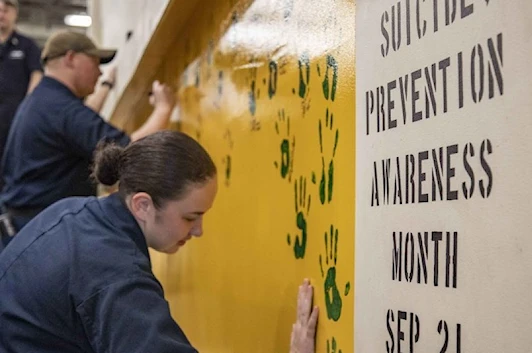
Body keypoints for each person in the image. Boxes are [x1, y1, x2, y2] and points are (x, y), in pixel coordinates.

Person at [0, 130, 319, 352]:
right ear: (142, 204)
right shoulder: (115, 274)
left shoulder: (72, 211)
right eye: (190, 217)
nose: (198, 231)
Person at [0, 30, 176, 244]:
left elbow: (81, 125)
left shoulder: (44, 100)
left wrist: (107, 87)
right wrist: (164, 108)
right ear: (71, 58)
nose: (100, 72)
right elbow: (131, 151)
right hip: (40, 233)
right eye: (95, 62)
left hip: (24, 228)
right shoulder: (61, 109)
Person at [0, 0, 42, 189]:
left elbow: (37, 75)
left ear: (15, 13)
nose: (2, 14)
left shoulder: (27, 46)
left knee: (14, 170)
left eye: (6, 9)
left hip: (15, 122)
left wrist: (27, 109)